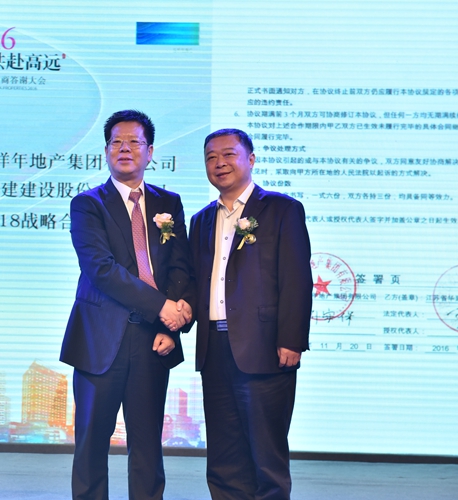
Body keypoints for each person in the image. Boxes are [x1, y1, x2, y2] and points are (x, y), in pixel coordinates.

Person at [60, 109, 194, 500]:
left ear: (150, 152)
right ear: (105, 151)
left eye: (134, 142)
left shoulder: (169, 203)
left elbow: (181, 267)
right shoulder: (88, 204)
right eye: (116, 142)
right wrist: (163, 309)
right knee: (91, 446)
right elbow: (101, 270)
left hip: (152, 340)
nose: (124, 148)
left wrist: (170, 325)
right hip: (100, 340)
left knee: (148, 446)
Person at [189, 129, 313, 500]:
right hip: (214, 349)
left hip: (264, 348)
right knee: (224, 455)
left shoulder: (281, 209)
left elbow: (296, 279)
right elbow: (195, 281)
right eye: (211, 157)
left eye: (229, 154)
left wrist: (291, 339)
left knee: (265, 454)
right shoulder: (200, 220)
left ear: (251, 159)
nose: (219, 163)